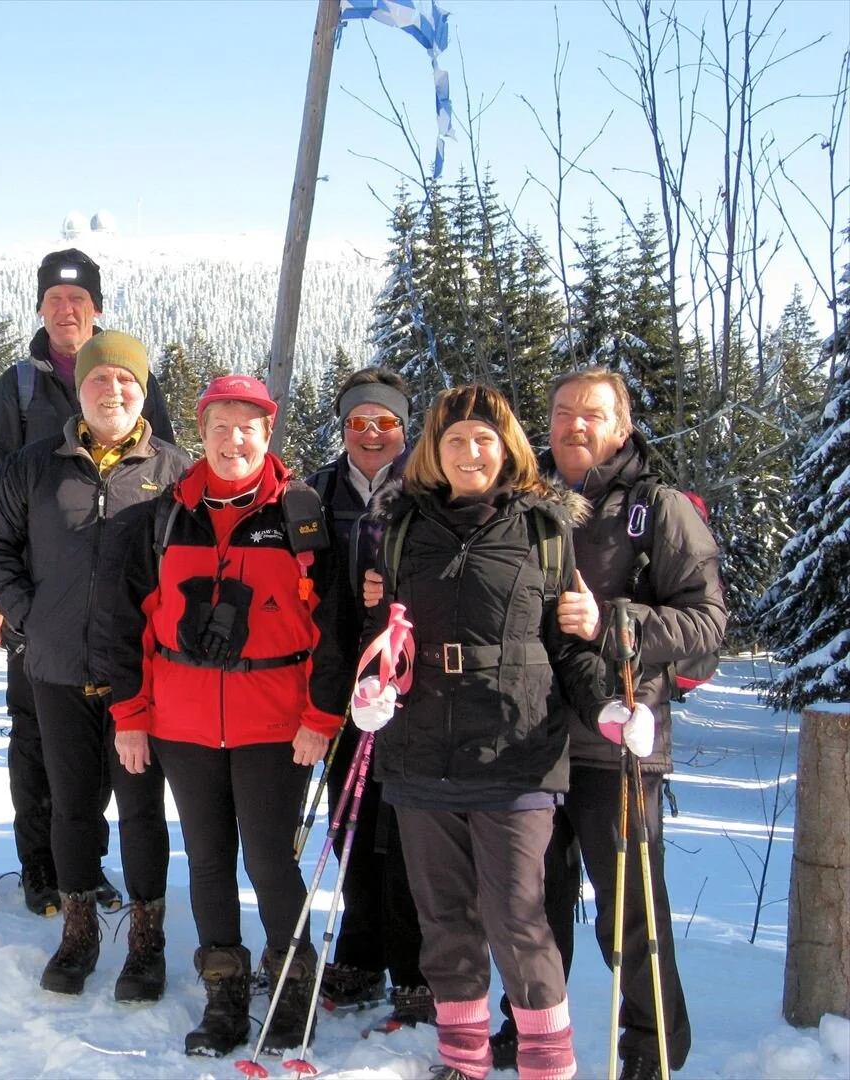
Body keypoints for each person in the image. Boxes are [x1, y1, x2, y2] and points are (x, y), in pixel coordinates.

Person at [358, 384, 609, 1080]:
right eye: (455, 440)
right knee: (444, 921)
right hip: (422, 753)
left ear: (508, 448)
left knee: (517, 919)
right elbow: (387, 636)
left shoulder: (543, 530)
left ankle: (547, 1064)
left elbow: (568, 646)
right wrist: (374, 688)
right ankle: (463, 1061)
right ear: (434, 452)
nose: (470, 452)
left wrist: (605, 707)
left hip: (516, 752)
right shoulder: (402, 528)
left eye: (484, 439)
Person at [489, 367, 726, 1079]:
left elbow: (708, 624)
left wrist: (614, 622)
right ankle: (529, 1029)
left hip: (617, 736)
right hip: (528, 735)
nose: (574, 425)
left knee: (630, 911)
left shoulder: (658, 507)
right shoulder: (520, 501)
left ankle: (651, 1048)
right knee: (530, 904)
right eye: (563, 412)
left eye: (591, 414)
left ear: (621, 426)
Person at [109, 374, 348, 1059]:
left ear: (267, 434)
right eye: (220, 427)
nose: (233, 440)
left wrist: (321, 715)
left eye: (248, 427)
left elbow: (333, 628)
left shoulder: (299, 513)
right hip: (182, 724)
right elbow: (127, 623)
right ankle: (225, 992)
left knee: (269, 859)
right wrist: (131, 713)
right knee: (209, 860)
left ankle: (292, 984)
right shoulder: (166, 515)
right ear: (202, 432)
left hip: (275, 723)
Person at [0, 330, 188, 1001]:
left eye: (125, 379)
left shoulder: (174, 471)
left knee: (141, 810)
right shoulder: (38, 465)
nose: (111, 390)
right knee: (70, 807)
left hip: (140, 673)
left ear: (142, 390)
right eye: (98, 379)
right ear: (79, 388)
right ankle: (79, 930)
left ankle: (146, 942)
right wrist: (27, 612)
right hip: (58, 665)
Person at [306, 368, 430, 1023]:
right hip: (343, 681)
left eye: (385, 422)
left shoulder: (430, 488)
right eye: (359, 422)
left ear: (405, 428)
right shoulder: (320, 491)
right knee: (350, 821)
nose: (372, 434)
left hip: (415, 687)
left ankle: (416, 971)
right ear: (343, 428)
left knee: (407, 832)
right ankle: (359, 953)